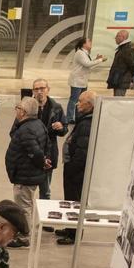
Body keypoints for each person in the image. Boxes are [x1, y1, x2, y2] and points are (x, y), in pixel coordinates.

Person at [4, 97, 49, 248]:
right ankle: (23, 233)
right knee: (26, 205)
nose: (16, 110)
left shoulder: (26, 129)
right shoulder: (38, 124)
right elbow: (44, 147)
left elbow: (36, 152)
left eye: (17, 108)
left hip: (25, 176)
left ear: (23, 112)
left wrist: (41, 162)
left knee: (24, 208)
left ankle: (24, 237)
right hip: (28, 174)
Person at [60, 90, 97, 245]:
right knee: (70, 199)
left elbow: (82, 153)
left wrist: (71, 168)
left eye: (81, 101)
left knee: (75, 201)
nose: (77, 104)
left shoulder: (87, 124)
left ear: (89, 105)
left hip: (76, 172)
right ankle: (70, 228)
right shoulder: (84, 120)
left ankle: (74, 234)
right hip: (74, 169)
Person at [31, 79, 66, 200]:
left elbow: (64, 129)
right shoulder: (27, 107)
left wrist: (61, 127)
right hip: (30, 154)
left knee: (45, 191)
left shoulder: (56, 108)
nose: (39, 92)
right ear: (33, 91)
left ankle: (42, 212)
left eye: (42, 88)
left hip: (49, 153)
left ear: (48, 90)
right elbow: (15, 131)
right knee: (27, 192)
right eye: (36, 89)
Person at [67, 37, 106, 122]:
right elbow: (87, 64)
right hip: (77, 81)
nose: (91, 43)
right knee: (74, 100)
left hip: (82, 81)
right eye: (89, 41)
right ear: (84, 44)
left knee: (82, 100)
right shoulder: (80, 53)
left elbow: (89, 66)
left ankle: (78, 116)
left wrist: (97, 60)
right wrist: (100, 60)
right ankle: (69, 118)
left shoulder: (85, 53)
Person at [107, 30, 134, 97]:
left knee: (118, 99)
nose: (115, 38)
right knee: (117, 98)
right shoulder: (123, 48)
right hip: (119, 80)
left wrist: (130, 76)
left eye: (117, 36)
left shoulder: (126, 49)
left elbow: (133, 65)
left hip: (121, 80)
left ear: (123, 37)